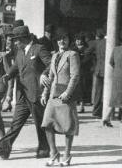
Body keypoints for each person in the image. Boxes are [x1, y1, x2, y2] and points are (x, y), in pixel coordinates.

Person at [0, 25, 52, 160]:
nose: (14, 43)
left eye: (16, 40)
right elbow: (16, 67)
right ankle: (4, 148)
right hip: (22, 94)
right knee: (15, 122)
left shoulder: (39, 48)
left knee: (40, 123)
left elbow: (51, 64)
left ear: (23, 38)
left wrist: (44, 74)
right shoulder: (20, 52)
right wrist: (8, 75)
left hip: (37, 93)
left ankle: (44, 148)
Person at [42, 31, 80, 166]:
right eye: (59, 39)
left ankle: (67, 155)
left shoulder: (72, 55)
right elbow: (51, 77)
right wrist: (45, 93)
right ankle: (54, 152)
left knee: (68, 126)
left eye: (64, 38)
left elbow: (75, 76)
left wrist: (67, 93)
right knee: (47, 124)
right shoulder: (54, 56)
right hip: (53, 94)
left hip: (65, 95)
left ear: (69, 40)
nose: (61, 41)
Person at [87, 28, 106, 119]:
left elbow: (86, 52)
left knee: (98, 92)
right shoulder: (113, 42)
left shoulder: (96, 43)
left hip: (98, 69)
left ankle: (97, 111)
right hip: (109, 70)